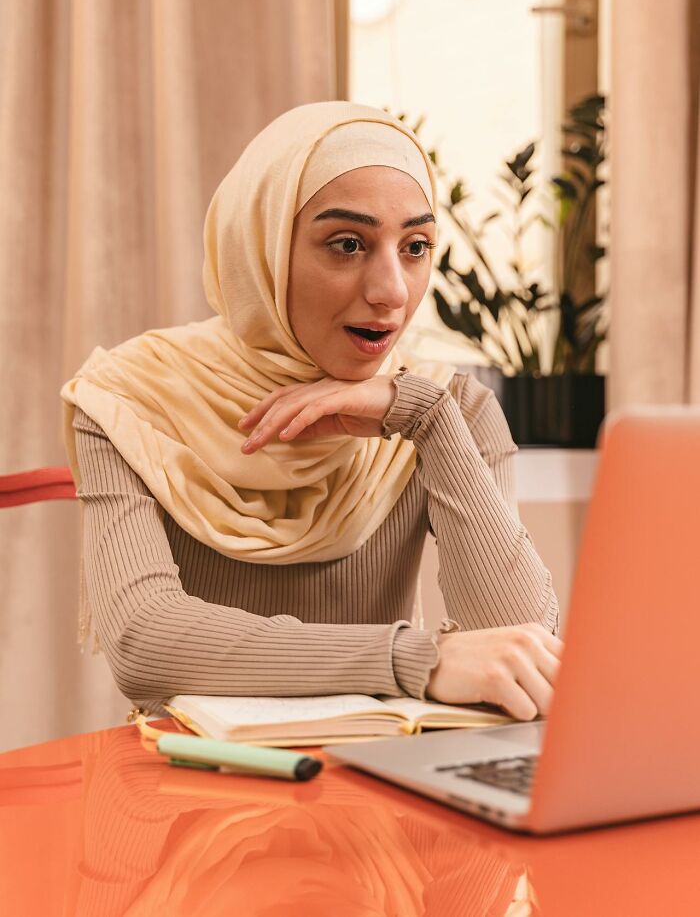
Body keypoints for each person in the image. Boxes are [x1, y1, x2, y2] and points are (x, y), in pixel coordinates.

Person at [61, 101, 561, 723]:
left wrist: (426, 420)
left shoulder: (449, 407)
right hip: (191, 790)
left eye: (415, 246)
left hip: (384, 786)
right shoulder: (134, 398)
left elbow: (523, 653)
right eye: (347, 244)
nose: (392, 292)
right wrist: (417, 661)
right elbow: (147, 643)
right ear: (262, 248)